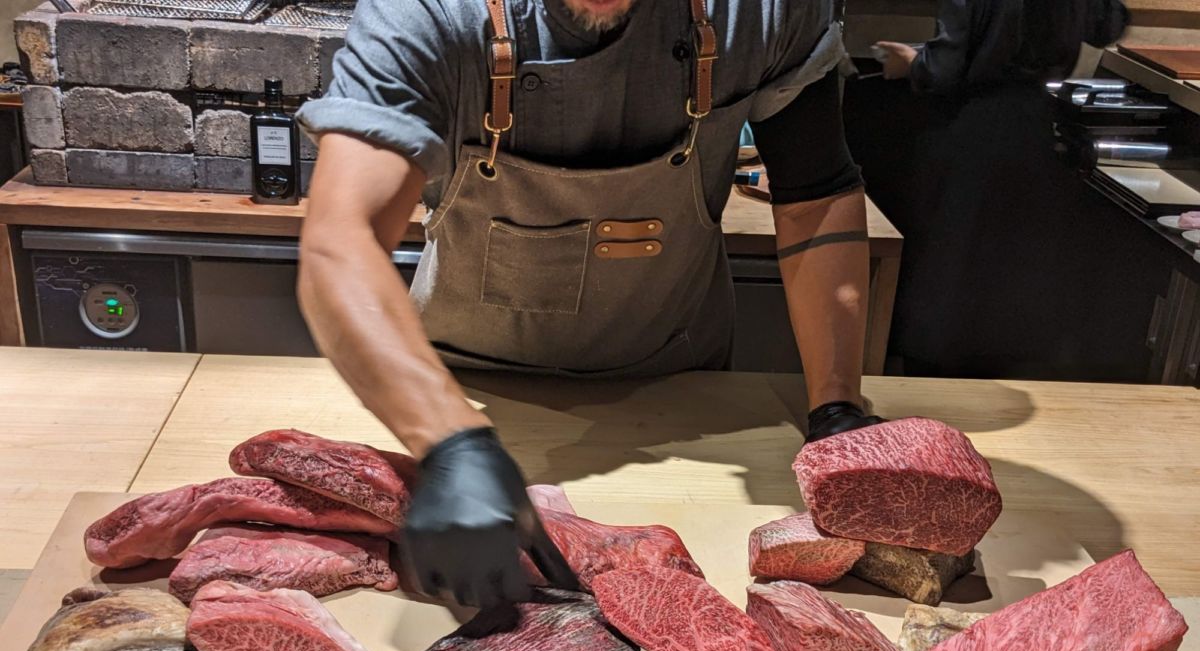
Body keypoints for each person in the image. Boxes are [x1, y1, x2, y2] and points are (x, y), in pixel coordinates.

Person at [295, 0, 882, 613]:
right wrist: (450, 442)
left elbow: (816, 197)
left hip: (679, 391)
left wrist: (836, 407)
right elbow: (341, 242)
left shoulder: (760, 11)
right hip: (459, 390)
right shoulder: (429, 12)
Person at [866, 0, 1131, 378]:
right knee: (1008, 274)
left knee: (950, 273)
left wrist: (910, 62)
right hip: (1034, 128)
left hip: (971, 128)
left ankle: (934, 392)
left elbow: (943, 69)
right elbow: (1108, 24)